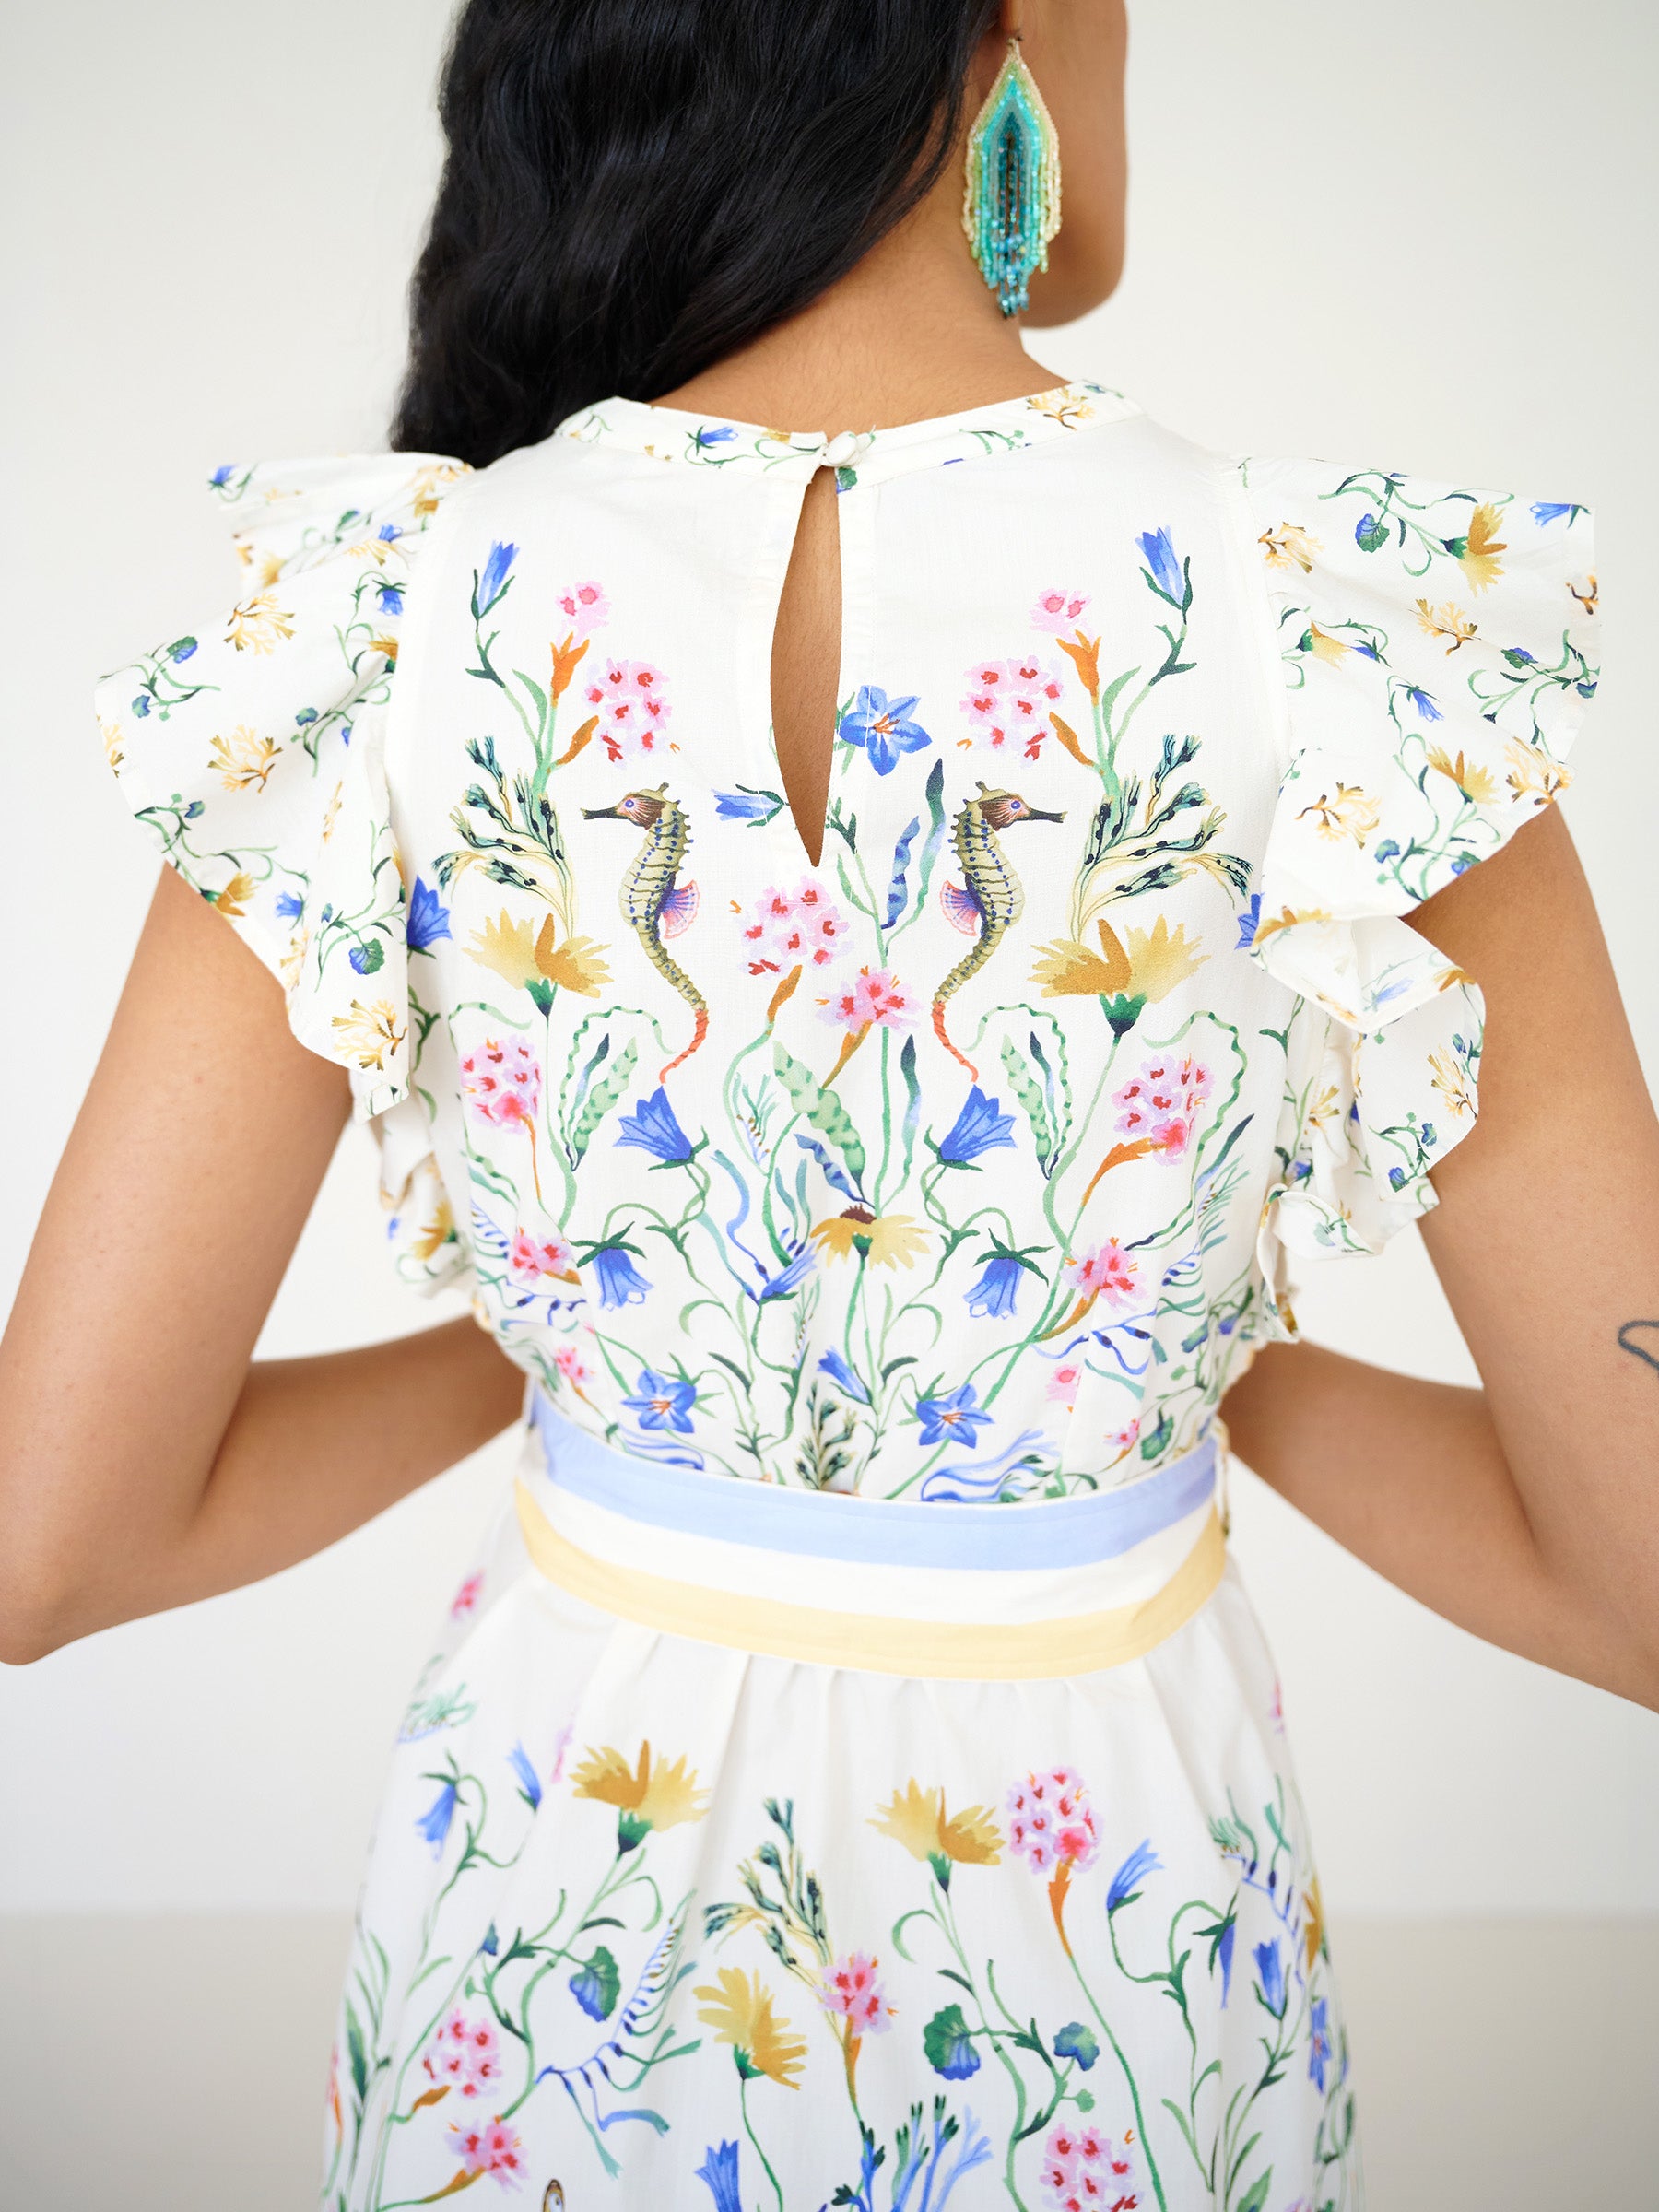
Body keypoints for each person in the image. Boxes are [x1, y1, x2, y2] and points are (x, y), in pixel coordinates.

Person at [4, 0, 1655, 2202]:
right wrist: (1151, 1371)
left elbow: (50, 1540)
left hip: (548, 1902)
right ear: (1006, 28)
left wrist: (571, 1372)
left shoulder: (391, 622)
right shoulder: (1338, 640)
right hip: (1116, 1931)